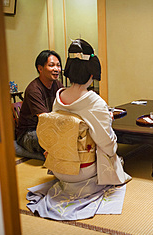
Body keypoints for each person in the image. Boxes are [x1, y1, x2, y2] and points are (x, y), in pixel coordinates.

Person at [26, 39, 131, 220]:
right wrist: (107, 123)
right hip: (83, 170)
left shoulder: (58, 97)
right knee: (115, 155)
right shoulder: (95, 102)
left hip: (58, 167)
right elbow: (107, 146)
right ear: (92, 74)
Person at [16, 50, 63, 155]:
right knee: (57, 143)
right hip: (29, 132)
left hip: (48, 129)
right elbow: (45, 118)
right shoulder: (34, 89)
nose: (56, 69)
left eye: (58, 65)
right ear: (40, 68)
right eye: (51, 65)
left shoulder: (58, 85)